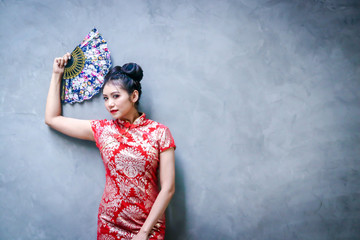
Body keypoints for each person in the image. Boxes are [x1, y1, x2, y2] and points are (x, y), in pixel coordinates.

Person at [45, 53, 176, 240]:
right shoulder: (102, 130)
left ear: (134, 96)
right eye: (105, 98)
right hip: (110, 224)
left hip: (149, 227)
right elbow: (52, 119)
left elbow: (168, 188)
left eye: (115, 96)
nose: (110, 104)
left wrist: (144, 233)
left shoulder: (160, 132)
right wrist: (56, 74)